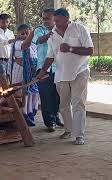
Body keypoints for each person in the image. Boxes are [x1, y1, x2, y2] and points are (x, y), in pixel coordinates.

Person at [37, 8, 94, 145]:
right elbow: (50, 56)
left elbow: (90, 50)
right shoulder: (52, 35)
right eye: (54, 20)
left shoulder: (80, 29)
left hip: (79, 72)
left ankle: (79, 135)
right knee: (63, 105)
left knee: (78, 104)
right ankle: (68, 130)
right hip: (61, 74)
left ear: (67, 18)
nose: (55, 23)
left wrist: (70, 49)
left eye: (57, 20)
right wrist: (42, 71)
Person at [33, 8, 64, 132]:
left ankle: (56, 117)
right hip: (43, 68)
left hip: (58, 67)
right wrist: (49, 34)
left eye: (48, 18)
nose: (45, 21)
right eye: (43, 18)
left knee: (57, 96)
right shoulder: (39, 29)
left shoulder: (61, 30)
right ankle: (49, 122)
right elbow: (38, 40)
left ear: (54, 19)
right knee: (45, 97)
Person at [12, 24, 39, 126]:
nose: (24, 35)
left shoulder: (34, 45)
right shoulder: (18, 43)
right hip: (20, 73)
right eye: (22, 33)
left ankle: (30, 114)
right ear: (18, 35)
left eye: (27, 33)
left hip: (32, 75)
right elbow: (24, 47)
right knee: (22, 94)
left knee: (32, 95)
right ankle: (23, 116)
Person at [0, 13, 16, 88]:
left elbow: (13, 46)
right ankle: (8, 98)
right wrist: (16, 39)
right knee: (3, 81)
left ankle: (5, 98)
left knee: (8, 81)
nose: (5, 24)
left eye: (7, 22)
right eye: (3, 22)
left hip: (9, 59)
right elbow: (2, 42)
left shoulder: (10, 33)